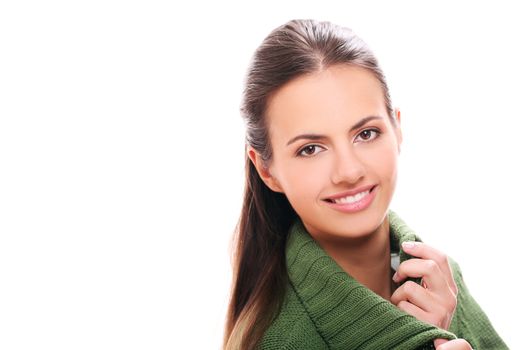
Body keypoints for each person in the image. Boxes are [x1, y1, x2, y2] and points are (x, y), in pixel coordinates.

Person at [223, 19, 507, 350]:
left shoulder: (441, 280)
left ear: (397, 129)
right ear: (266, 170)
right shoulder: (276, 340)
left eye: (366, 134)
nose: (349, 171)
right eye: (310, 149)